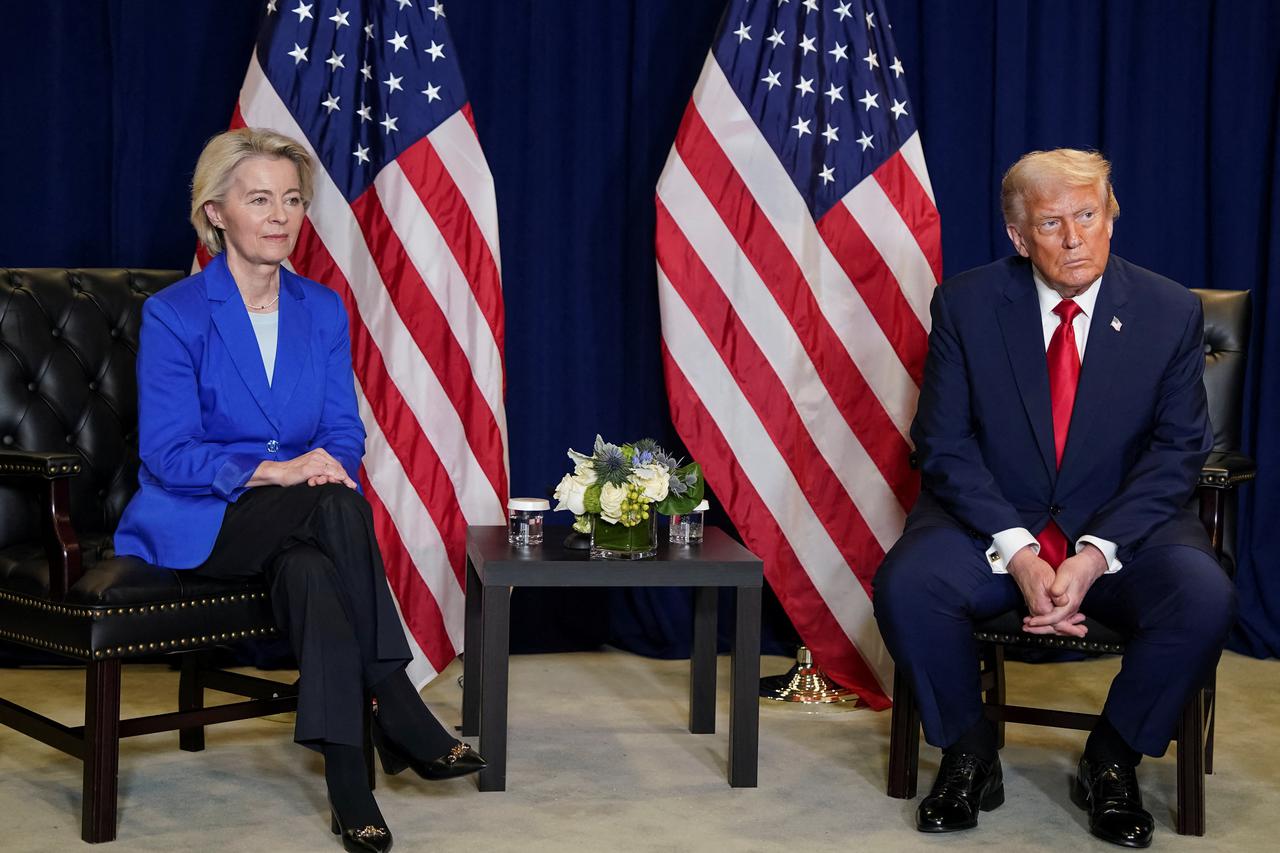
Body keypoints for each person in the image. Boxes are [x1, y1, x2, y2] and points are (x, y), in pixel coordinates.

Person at [113, 127, 483, 853]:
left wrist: (321, 465)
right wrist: (281, 471)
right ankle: (399, 703)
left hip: (305, 520)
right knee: (334, 503)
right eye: (260, 199)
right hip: (205, 516)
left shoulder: (322, 309)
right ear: (216, 212)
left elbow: (344, 433)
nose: (280, 215)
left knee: (316, 569)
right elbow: (166, 453)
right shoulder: (175, 314)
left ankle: (352, 790)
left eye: (291, 199)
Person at [872, 149, 1235, 848]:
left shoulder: (1168, 311)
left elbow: (1176, 452)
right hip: (993, 523)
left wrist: (1096, 553)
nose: (1074, 239)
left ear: (1111, 216)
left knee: (1203, 595)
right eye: (1051, 223)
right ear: (1018, 236)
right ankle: (970, 754)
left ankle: (1112, 758)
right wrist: (1019, 549)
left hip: (1127, 530)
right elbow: (941, 444)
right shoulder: (967, 303)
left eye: (1089, 215)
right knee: (909, 583)